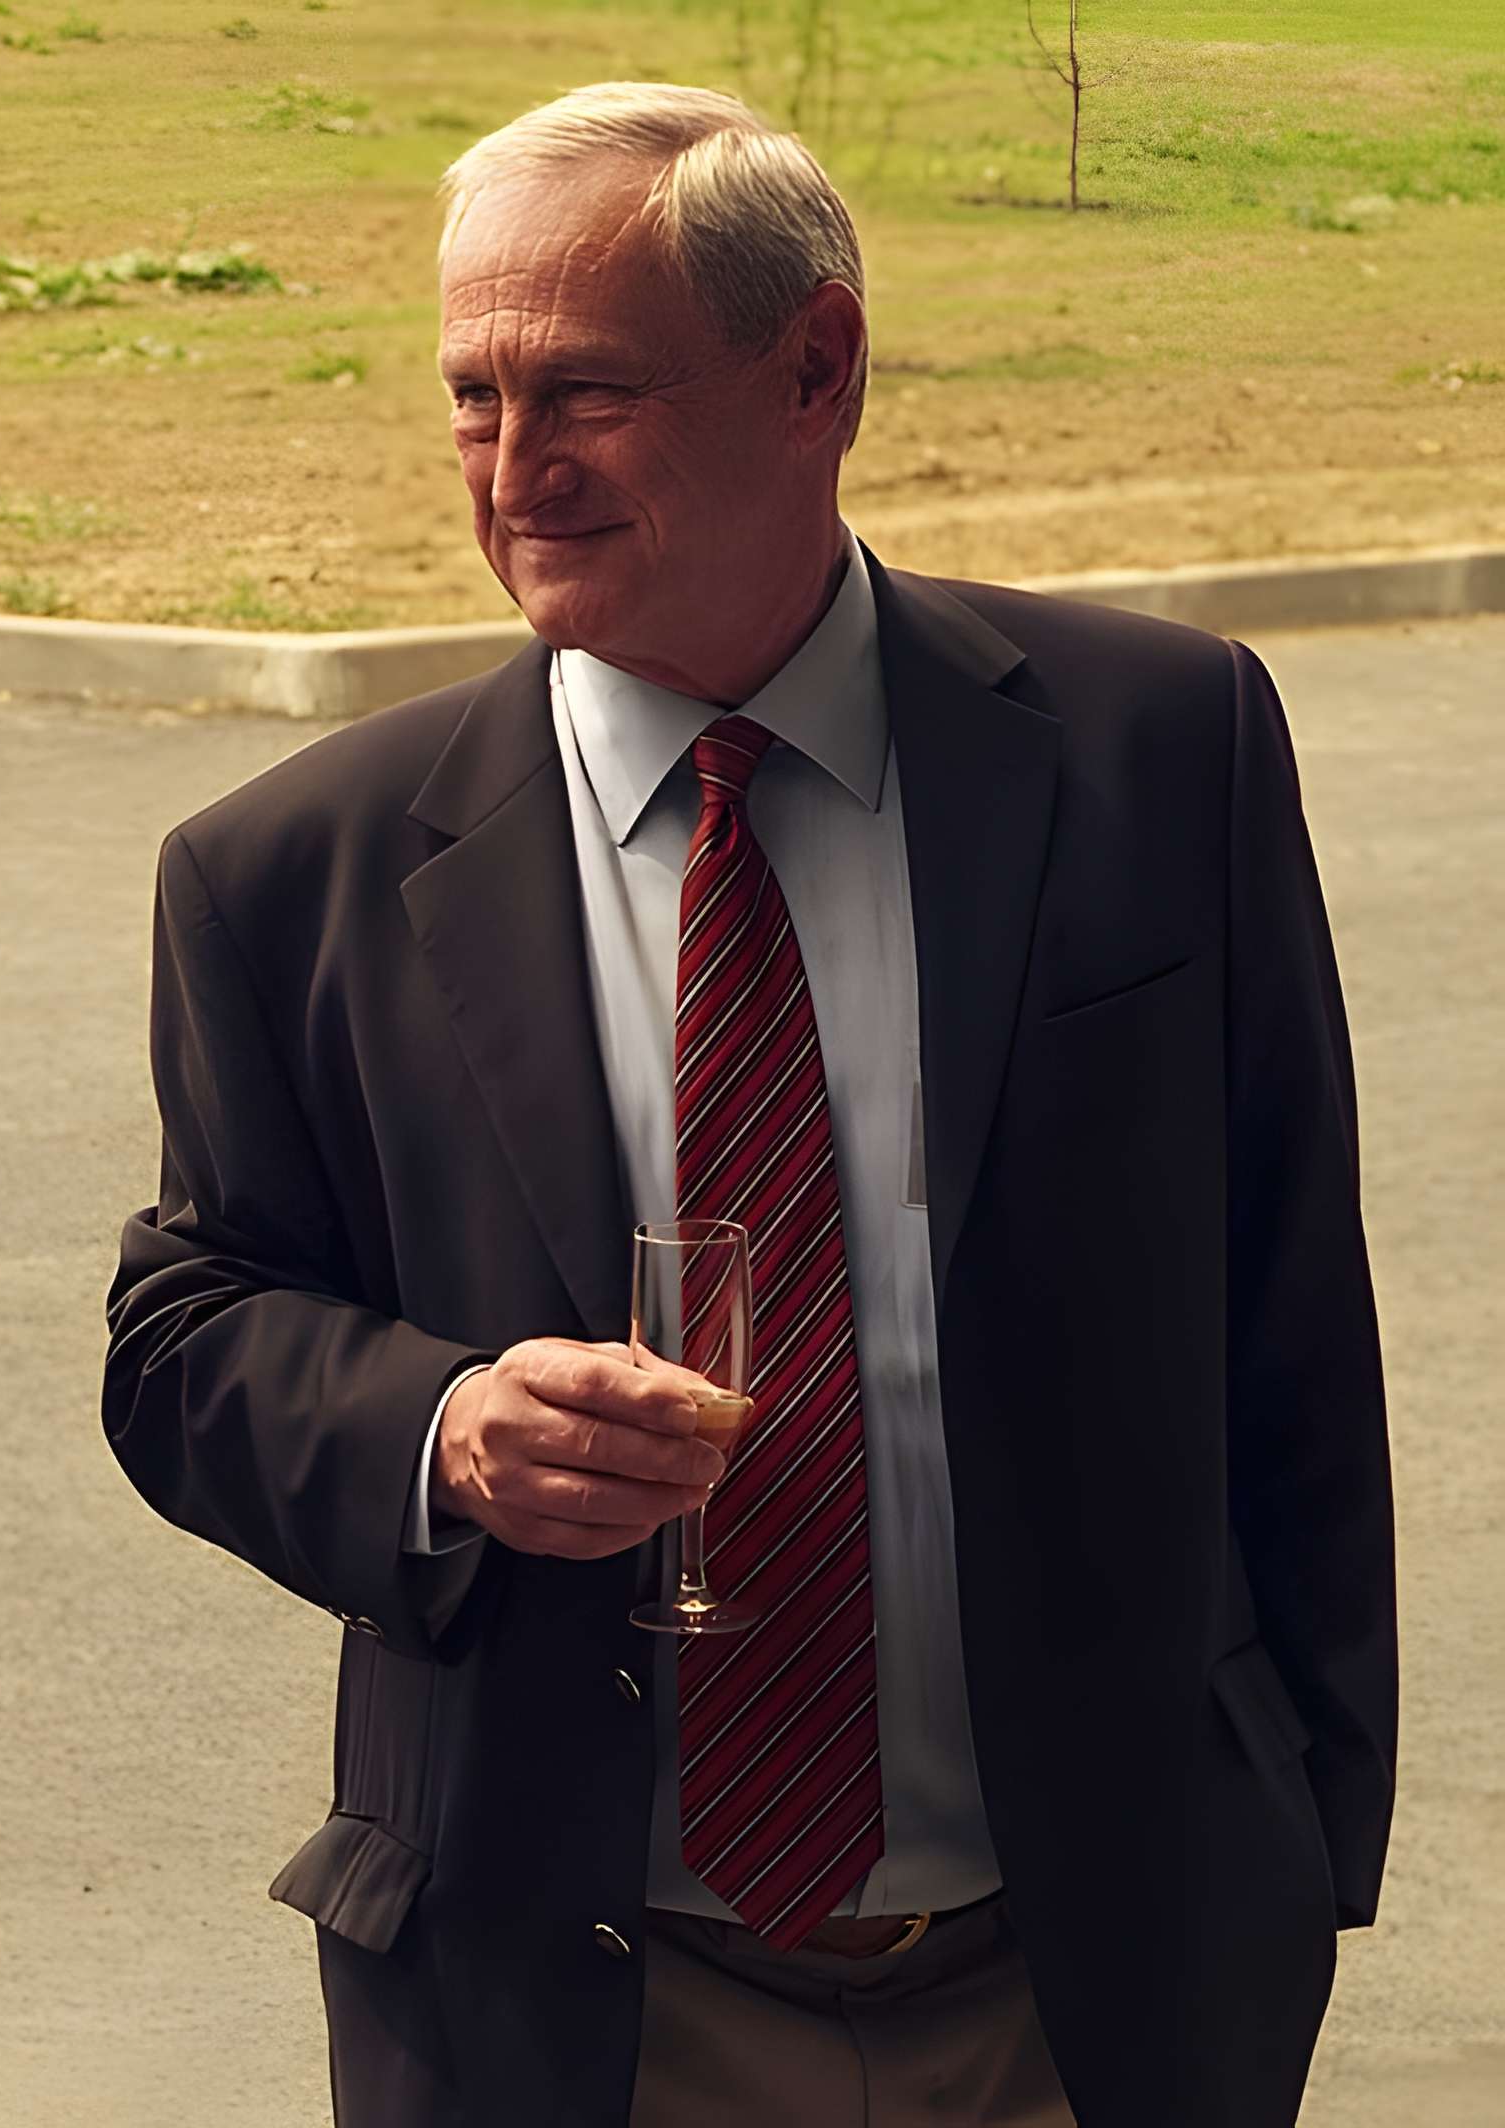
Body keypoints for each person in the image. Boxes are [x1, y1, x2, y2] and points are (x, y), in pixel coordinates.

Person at [102, 82, 1391, 2128]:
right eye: (469, 397)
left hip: (1091, 1986)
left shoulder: (1160, 749)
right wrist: (440, 1430)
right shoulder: (288, 870)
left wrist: (1301, 1843)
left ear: (818, 366)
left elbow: (1287, 1309)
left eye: (586, 393)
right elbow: (185, 1335)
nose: (515, 470)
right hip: (578, 2002)